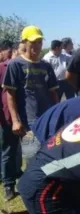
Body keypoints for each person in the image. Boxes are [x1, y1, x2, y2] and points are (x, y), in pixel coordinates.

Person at [3, 25, 59, 163]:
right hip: (28, 120)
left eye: (39, 42)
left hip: (48, 118)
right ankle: (32, 184)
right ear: (24, 42)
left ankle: (51, 184)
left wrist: (58, 114)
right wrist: (15, 121)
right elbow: (10, 95)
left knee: (50, 155)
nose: (37, 45)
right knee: (32, 158)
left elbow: (53, 93)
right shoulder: (15, 65)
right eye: (33, 42)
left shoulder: (46, 65)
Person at [0, 41, 23, 200]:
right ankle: (9, 185)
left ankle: (19, 174)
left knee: (24, 149)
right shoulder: (2, 68)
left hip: (25, 117)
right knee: (8, 150)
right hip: (7, 117)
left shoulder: (26, 68)